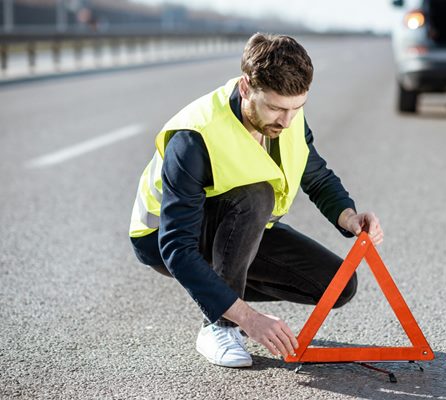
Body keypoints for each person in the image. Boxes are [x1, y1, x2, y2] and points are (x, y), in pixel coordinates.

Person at [129, 33, 384, 368]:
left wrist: (349, 217)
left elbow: (315, 173)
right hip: (163, 239)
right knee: (256, 193)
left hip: (240, 228)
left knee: (338, 286)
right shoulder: (195, 136)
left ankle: (223, 300)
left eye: (297, 108)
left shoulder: (288, 116)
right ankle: (219, 326)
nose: (286, 120)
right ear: (247, 87)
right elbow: (176, 247)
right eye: (276, 108)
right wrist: (247, 317)